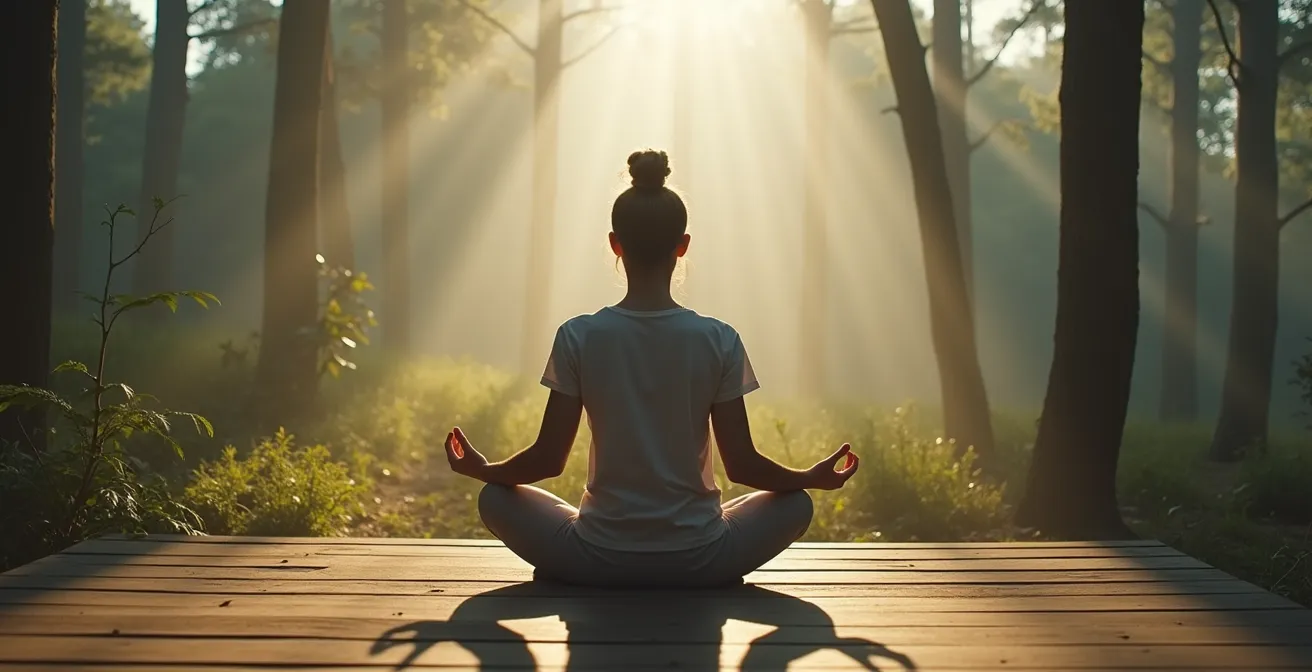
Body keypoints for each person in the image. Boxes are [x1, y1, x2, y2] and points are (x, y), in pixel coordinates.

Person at [443, 150, 859, 587]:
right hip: (700, 559)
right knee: (797, 505)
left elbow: (547, 460)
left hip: (597, 556)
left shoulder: (579, 336)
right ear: (683, 246)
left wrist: (484, 470)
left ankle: (582, 565)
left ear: (614, 243)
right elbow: (742, 466)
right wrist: (808, 478)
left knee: (495, 499)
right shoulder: (718, 339)